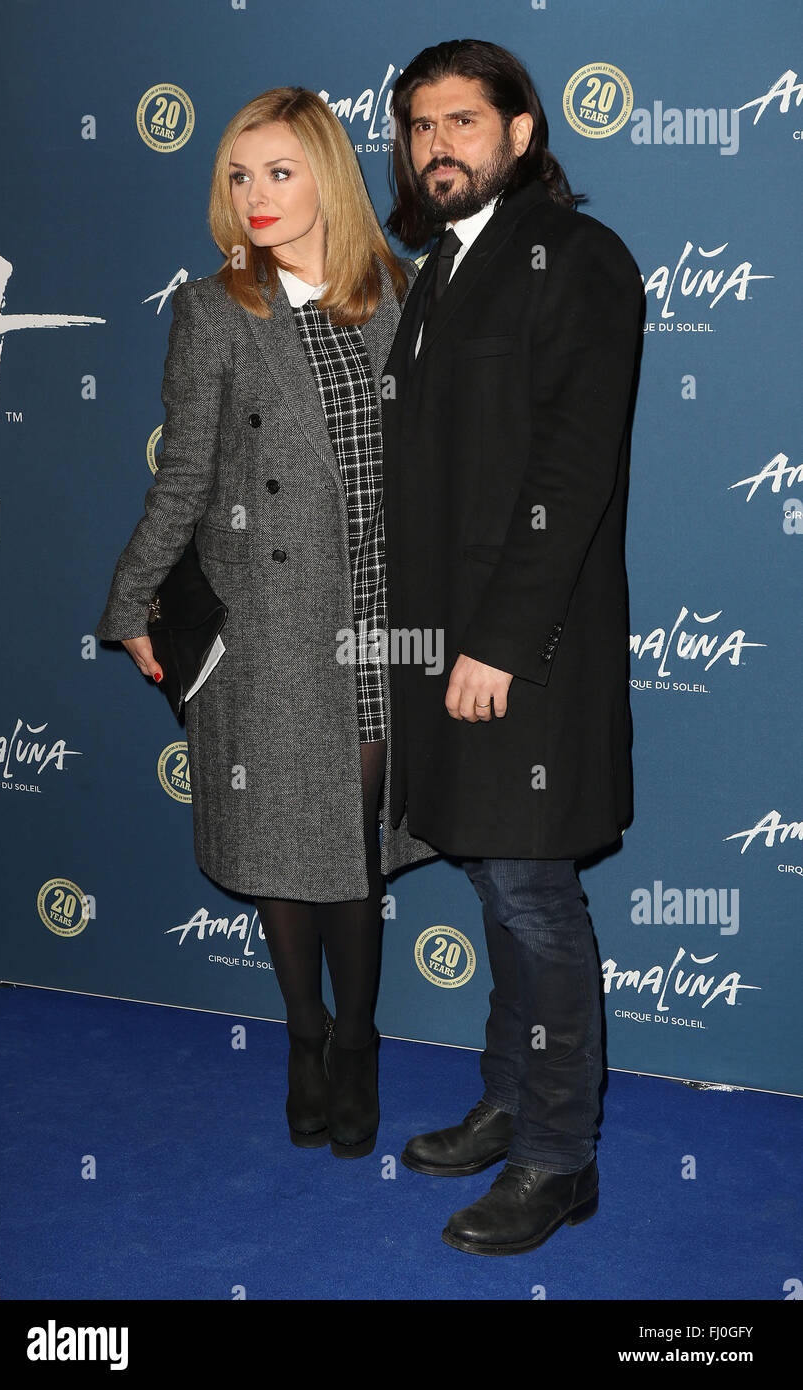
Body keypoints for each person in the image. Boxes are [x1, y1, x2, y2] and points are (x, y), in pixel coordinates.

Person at [95, 87, 436, 1160]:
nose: (254, 195)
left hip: (382, 617)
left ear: (327, 176)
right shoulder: (211, 310)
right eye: (238, 176)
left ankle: (361, 1041)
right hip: (269, 618)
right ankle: (305, 1034)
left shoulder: (404, 293)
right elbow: (185, 476)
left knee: (354, 844)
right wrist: (128, 599)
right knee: (285, 851)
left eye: (278, 172)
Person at [381, 40, 644, 1253]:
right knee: (494, 881)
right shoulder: (439, 268)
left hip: (518, 655)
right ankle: (507, 1096)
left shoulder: (577, 262)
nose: (439, 144)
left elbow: (571, 467)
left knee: (535, 898)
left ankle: (557, 1156)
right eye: (421, 125)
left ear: (522, 134)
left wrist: (493, 643)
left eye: (464, 122)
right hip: (445, 648)